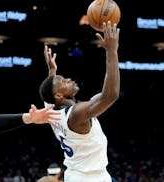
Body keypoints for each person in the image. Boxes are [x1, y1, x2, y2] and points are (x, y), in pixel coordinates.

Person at [39, 21, 120, 182]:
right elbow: (110, 95)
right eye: (63, 82)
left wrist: (52, 72)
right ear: (59, 97)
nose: (68, 79)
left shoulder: (51, 110)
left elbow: (48, 94)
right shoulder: (76, 115)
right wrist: (111, 51)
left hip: (87, 175)